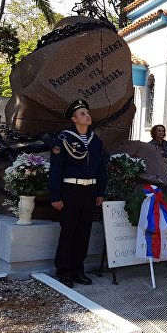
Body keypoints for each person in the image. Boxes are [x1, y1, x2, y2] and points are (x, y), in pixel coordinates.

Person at [49, 100, 108, 288]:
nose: (87, 115)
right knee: (68, 232)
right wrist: (55, 196)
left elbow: (101, 169)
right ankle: (64, 271)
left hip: (89, 191)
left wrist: (100, 192)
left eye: (88, 113)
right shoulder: (63, 139)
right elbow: (56, 169)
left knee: (84, 232)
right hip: (70, 191)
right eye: (82, 113)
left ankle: (78, 269)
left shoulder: (96, 140)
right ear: (74, 119)